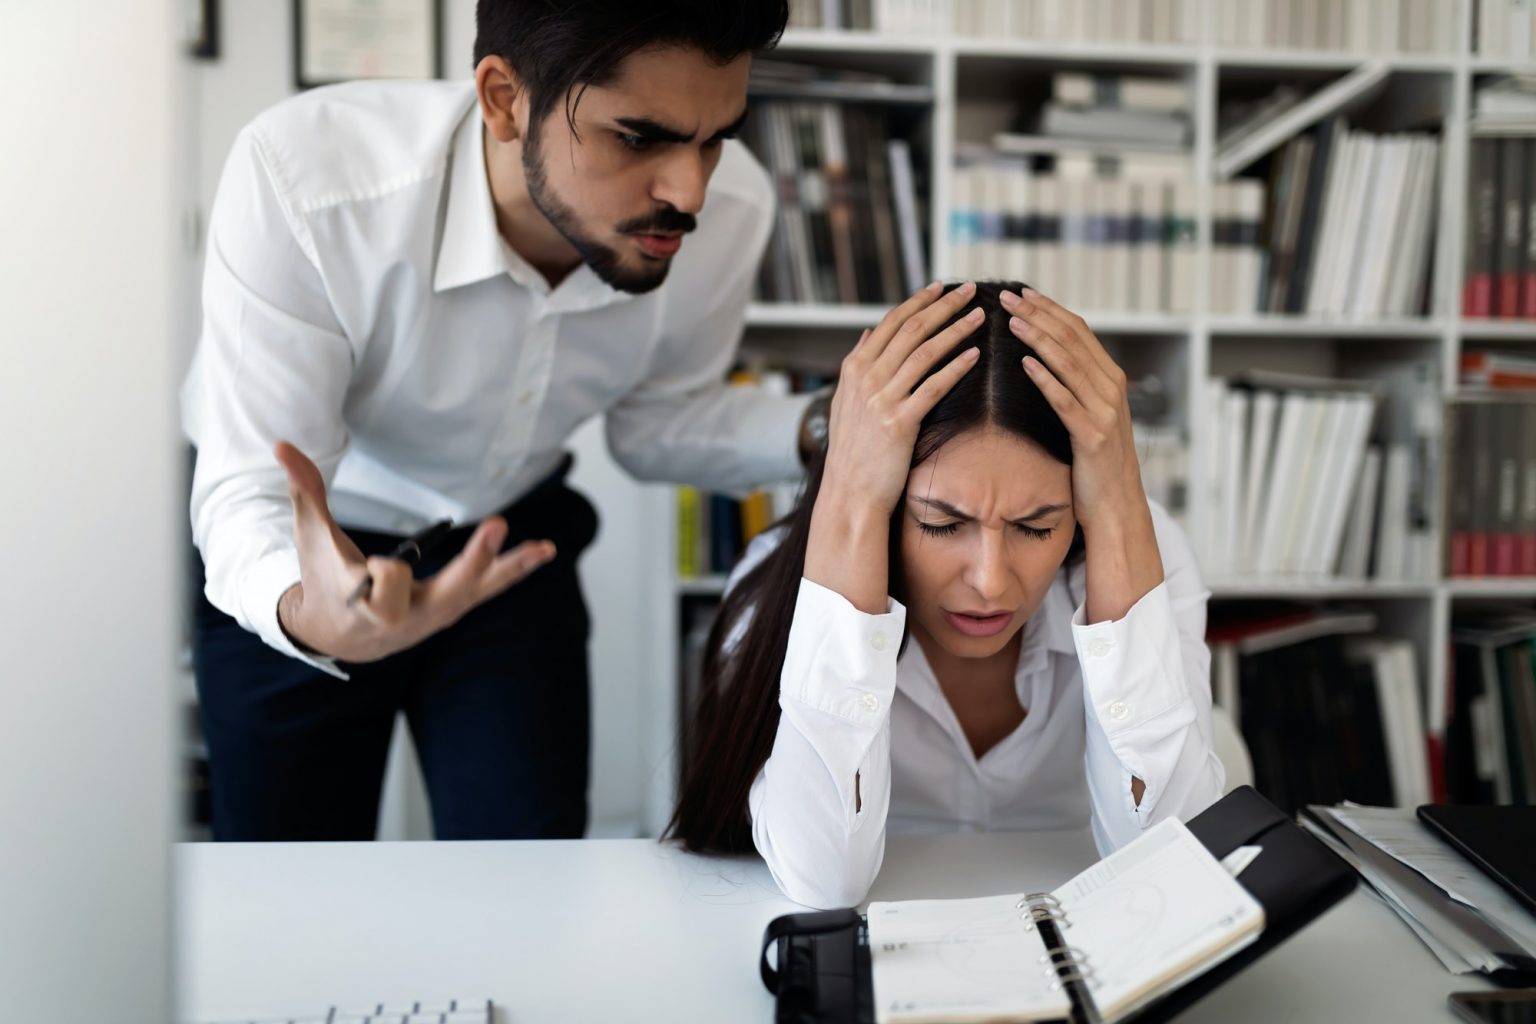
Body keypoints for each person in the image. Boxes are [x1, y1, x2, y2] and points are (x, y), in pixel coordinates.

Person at [183, 0, 817, 842]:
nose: (689, 190)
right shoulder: (307, 181)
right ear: (504, 98)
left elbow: (658, 422)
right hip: (307, 557)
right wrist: (308, 610)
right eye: (638, 137)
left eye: (715, 137)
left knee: (530, 889)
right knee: (285, 892)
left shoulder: (733, 209)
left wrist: (831, 426)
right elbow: (249, 492)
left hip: (510, 552)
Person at [668, 281, 1224, 908]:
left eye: (1037, 526)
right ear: (881, 501)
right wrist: (847, 499)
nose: (990, 581)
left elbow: (1172, 862)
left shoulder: (1139, 551)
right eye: (941, 523)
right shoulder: (772, 584)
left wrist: (1121, 505)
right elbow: (824, 880)